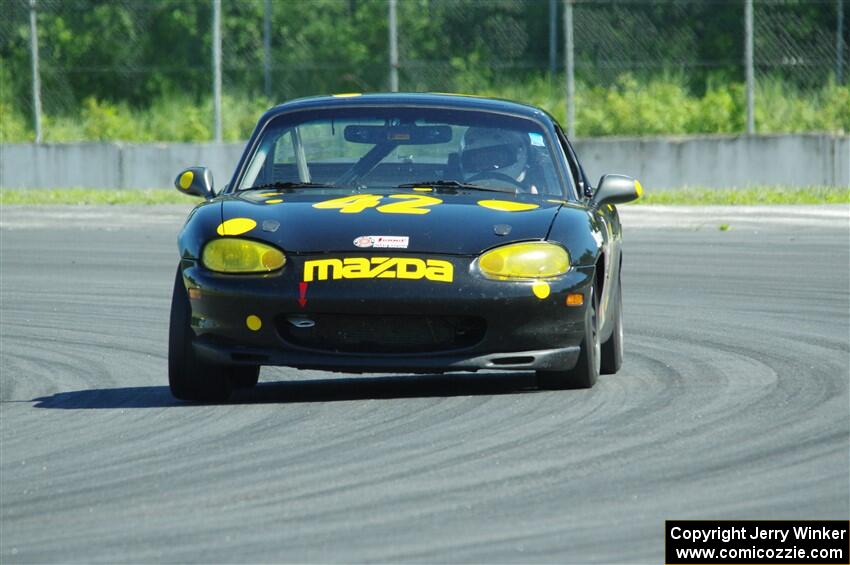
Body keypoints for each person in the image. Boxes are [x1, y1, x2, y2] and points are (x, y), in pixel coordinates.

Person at [458, 127, 538, 193]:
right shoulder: (453, 197)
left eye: (495, 158)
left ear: (519, 155)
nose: (486, 164)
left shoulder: (537, 193)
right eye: (478, 160)